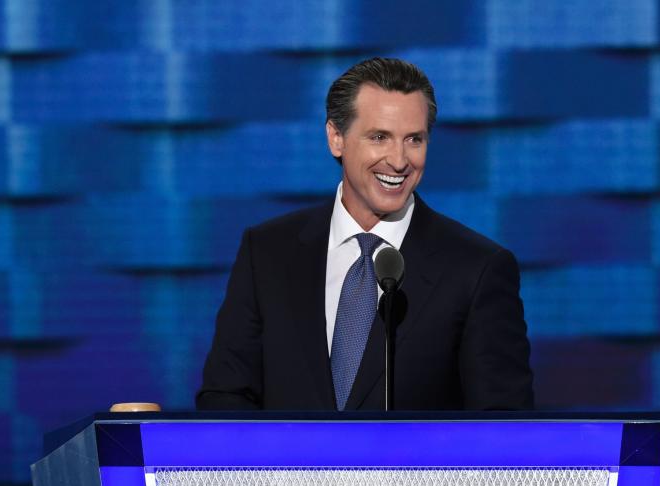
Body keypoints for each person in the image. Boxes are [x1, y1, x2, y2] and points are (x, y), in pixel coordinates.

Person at [196, 57, 533, 411]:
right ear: (336, 138)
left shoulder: (477, 269)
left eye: (414, 139)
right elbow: (226, 397)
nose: (399, 161)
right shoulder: (266, 253)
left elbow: (503, 429)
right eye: (379, 137)